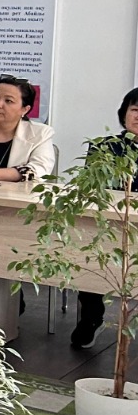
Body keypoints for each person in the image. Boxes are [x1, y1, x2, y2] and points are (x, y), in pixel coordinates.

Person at [72, 89, 138, 348]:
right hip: (109, 222)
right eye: (135, 110)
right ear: (124, 114)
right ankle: (91, 317)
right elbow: (91, 187)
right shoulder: (104, 146)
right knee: (90, 249)